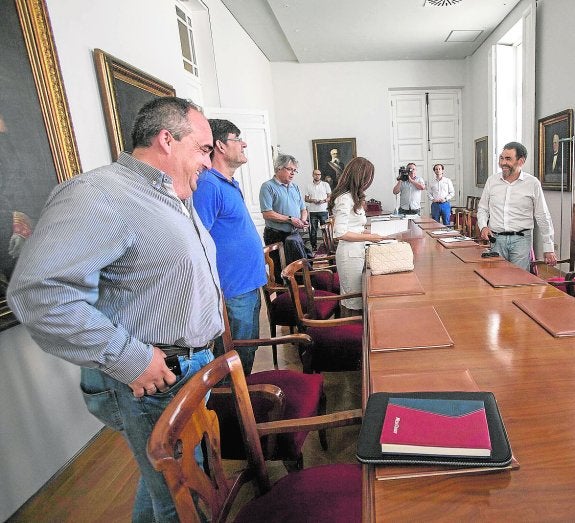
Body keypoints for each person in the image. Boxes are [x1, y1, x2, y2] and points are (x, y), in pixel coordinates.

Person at [7, 97, 223, 523]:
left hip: (190, 366)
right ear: (167, 139)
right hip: (153, 378)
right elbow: (38, 293)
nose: (209, 163)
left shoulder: (172, 196)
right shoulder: (100, 195)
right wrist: (132, 359)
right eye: (203, 149)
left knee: (165, 483)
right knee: (181, 499)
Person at [194, 119, 266, 376]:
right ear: (220, 146)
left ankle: (241, 406)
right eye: (238, 138)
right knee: (232, 362)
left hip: (247, 286)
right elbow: (196, 242)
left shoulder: (228, 184)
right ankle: (234, 414)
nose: (244, 143)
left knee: (246, 354)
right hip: (232, 292)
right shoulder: (208, 185)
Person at [477, 141, 557, 271]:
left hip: (521, 241)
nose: (503, 163)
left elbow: (542, 215)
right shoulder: (492, 181)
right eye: (501, 158)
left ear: (521, 161)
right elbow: (483, 208)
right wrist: (483, 226)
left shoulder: (532, 183)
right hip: (496, 240)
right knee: (496, 278)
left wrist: (549, 247)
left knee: (519, 280)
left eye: (508, 159)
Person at [329, 157, 388, 313]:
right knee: (354, 302)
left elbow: (355, 227)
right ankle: (352, 333)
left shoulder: (353, 197)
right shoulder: (344, 199)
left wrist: (372, 232)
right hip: (349, 255)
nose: (369, 182)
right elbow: (340, 233)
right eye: (368, 178)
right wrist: (370, 237)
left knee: (362, 298)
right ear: (359, 177)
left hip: (357, 251)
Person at [260, 153, 309, 282]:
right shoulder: (268, 186)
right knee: (279, 271)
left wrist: (303, 219)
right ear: (278, 168)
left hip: (293, 234)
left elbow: (303, 209)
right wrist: (290, 219)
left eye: (294, 170)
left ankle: (298, 296)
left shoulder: (295, 187)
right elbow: (267, 213)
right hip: (276, 235)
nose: (292, 173)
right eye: (289, 169)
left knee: (296, 270)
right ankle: (283, 298)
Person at [305, 169, 331, 251]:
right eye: (316, 174)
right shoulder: (308, 185)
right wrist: (313, 200)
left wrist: (323, 201)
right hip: (312, 211)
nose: (317, 176)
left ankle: (327, 245)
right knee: (313, 230)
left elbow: (330, 197)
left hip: (323, 210)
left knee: (325, 229)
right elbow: (306, 199)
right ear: (313, 175)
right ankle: (314, 247)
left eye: (319, 174)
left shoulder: (325, 184)